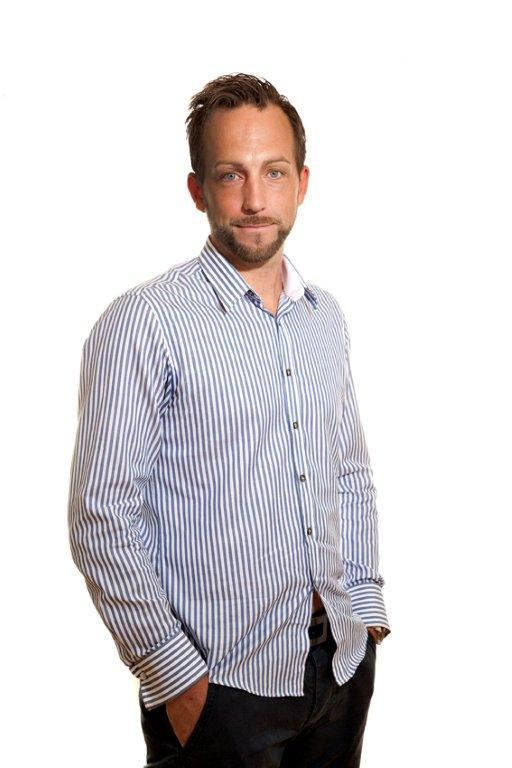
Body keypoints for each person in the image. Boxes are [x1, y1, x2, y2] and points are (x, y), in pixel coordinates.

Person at [68, 72, 390, 768]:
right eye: (230, 174)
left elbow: (349, 470)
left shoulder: (323, 318)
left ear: (302, 183)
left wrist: (365, 611)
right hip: (220, 692)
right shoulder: (144, 323)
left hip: (339, 668)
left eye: (273, 172)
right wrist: (175, 678)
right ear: (198, 190)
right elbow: (102, 515)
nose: (254, 200)